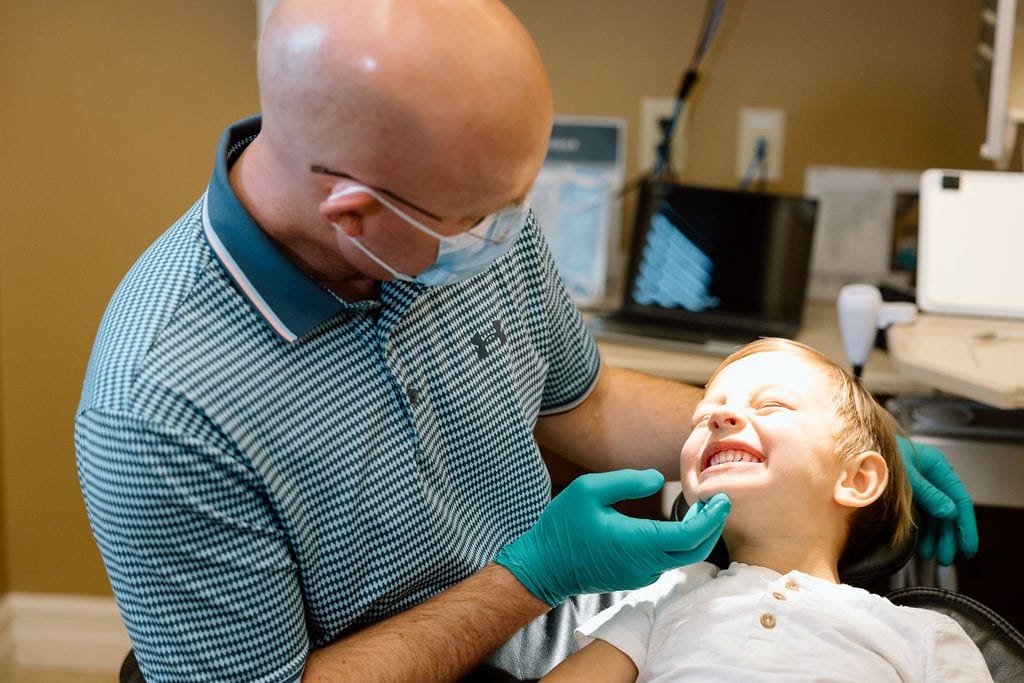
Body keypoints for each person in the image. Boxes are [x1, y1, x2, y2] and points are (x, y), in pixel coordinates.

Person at [74, 1, 976, 681]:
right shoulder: (161, 407)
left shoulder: (457, 215)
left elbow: (583, 401)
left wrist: (852, 435)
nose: (509, 238)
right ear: (355, 215)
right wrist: (534, 575)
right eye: (480, 221)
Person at [542, 338, 990, 682]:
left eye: (772, 404)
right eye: (703, 417)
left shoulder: (925, 636)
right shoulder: (664, 599)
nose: (720, 418)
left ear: (857, 480)